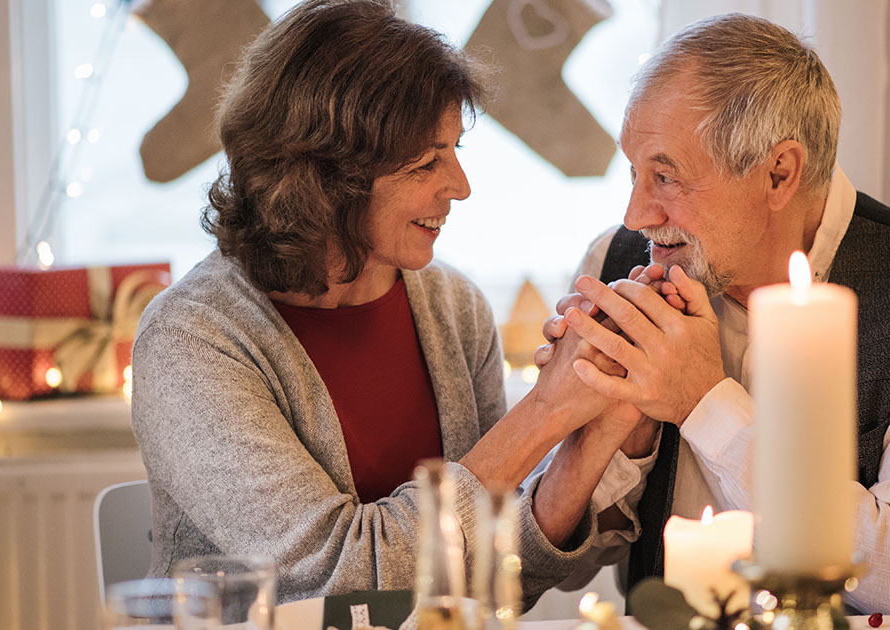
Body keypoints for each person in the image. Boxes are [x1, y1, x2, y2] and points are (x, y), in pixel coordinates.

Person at [130, 0, 639, 605]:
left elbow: (499, 576)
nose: (461, 186)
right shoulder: (189, 340)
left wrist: (603, 419)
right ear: (325, 177)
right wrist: (546, 410)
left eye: (455, 149)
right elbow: (335, 580)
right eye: (428, 161)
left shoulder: (453, 306)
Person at [539, 13, 890, 614]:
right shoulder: (618, 260)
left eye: (665, 175)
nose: (637, 215)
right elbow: (571, 572)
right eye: (634, 173)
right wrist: (613, 438)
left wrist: (704, 404)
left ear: (778, 172)